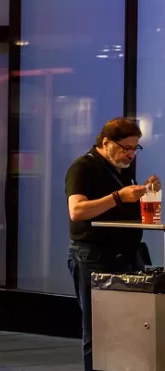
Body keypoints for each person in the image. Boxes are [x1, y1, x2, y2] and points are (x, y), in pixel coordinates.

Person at [65, 118, 160, 371]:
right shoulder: (83, 167)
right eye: (125, 147)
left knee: (127, 325)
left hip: (125, 254)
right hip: (93, 254)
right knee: (98, 327)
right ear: (106, 142)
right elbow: (77, 211)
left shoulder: (121, 169)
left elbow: (121, 209)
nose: (130, 154)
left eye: (135, 148)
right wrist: (118, 197)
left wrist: (147, 193)